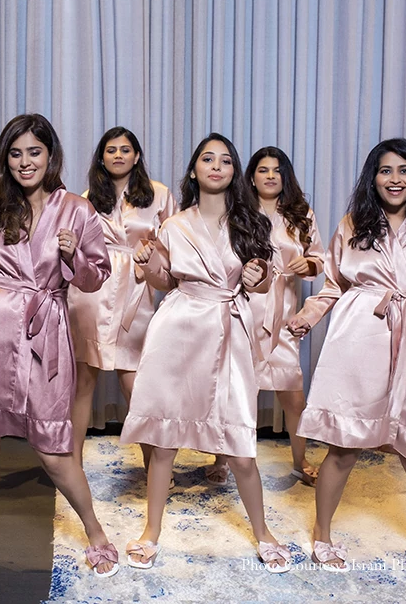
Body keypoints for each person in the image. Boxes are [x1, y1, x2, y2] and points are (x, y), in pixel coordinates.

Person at [0, 114, 118, 582]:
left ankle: (95, 532)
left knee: (54, 452)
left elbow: (96, 277)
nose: (25, 162)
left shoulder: (77, 209)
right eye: (15, 153)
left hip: (43, 332)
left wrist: (72, 256)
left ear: (51, 155)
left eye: (34, 151)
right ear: (5, 158)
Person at [288, 138, 406, 576]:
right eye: (386, 170)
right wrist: (308, 316)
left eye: (404, 170)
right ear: (373, 177)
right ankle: (322, 534)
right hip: (359, 337)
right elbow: (334, 284)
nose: (395, 179)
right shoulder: (353, 223)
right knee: (344, 447)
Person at [120, 134, 293, 573]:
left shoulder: (251, 222)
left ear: (234, 171)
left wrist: (256, 277)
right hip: (178, 328)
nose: (216, 166)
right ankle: (151, 531)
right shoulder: (174, 225)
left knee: (240, 445)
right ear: (194, 170)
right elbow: (164, 281)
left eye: (226, 160)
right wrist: (147, 261)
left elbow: (264, 283)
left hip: (229, 328)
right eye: (207, 159)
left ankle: (263, 531)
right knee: (164, 440)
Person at [206, 147, 324, 487]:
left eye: (277, 170)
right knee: (235, 390)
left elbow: (320, 260)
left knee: (293, 395)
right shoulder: (238, 212)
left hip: (283, 312)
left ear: (285, 177)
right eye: (263, 170)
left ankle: (300, 461)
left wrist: (309, 264)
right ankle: (222, 458)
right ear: (252, 177)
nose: (270, 176)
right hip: (244, 309)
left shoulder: (301, 215)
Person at [68, 127, 178, 467]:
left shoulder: (159, 194)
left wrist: (153, 257)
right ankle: (72, 463)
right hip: (94, 288)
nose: (118, 155)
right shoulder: (88, 197)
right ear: (102, 157)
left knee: (135, 382)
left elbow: (175, 240)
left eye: (125, 149)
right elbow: (79, 245)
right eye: (111, 150)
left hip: (137, 287)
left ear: (137, 156)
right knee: (83, 380)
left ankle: (153, 464)